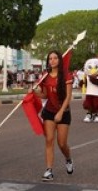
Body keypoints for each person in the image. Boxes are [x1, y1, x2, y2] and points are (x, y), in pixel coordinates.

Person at [31, 50, 74, 182]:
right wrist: (34, 91)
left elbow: (68, 96)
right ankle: (49, 170)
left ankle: (68, 159)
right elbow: (45, 95)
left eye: (55, 58)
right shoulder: (45, 76)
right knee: (49, 140)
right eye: (50, 58)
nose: (52, 60)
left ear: (59, 60)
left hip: (63, 112)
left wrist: (60, 112)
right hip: (49, 112)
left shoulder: (66, 75)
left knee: (62, 143)